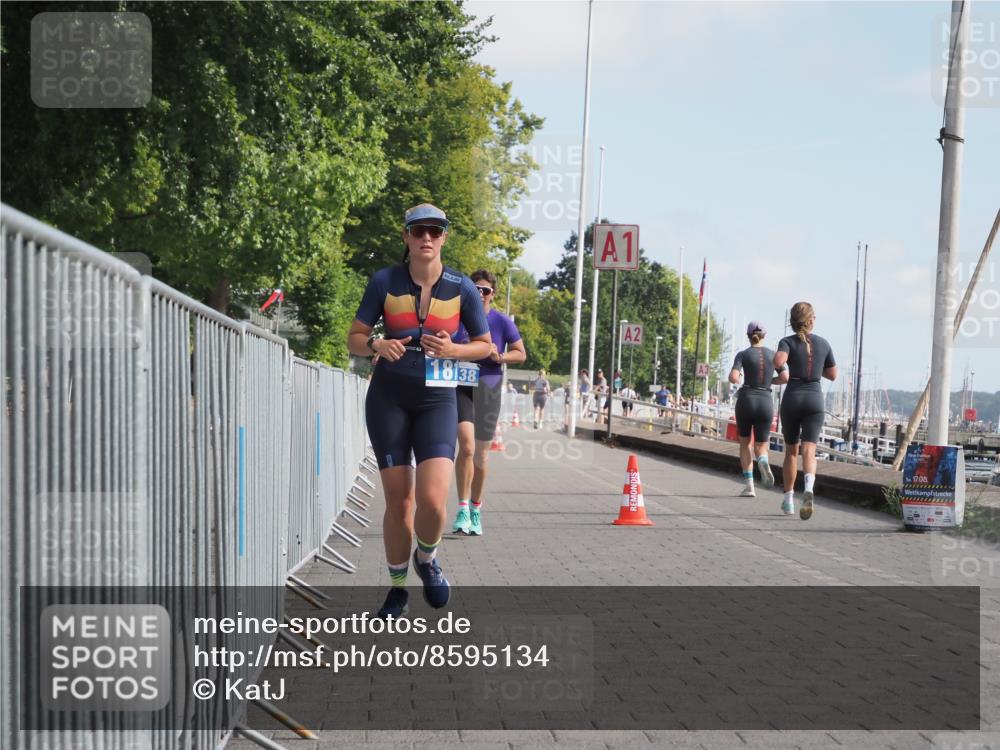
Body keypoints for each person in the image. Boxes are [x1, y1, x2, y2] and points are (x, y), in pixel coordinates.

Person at [347, 203, 491, 618]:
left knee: (432, 501)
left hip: (437, 398)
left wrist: (454, 349)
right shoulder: (384, 281)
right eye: (418, 231)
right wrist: (376, 344)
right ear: (407, 237)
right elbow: (354, 338)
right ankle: (396, 588)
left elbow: (484, 346)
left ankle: (426, 559)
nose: (426, 238)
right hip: (389, 396)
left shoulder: (462, 288)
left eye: (435, 230)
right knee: (399, 501)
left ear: (445, 236)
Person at [452, 270, 526, 537]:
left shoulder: (502, 321)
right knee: (467, 447)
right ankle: (461, 507)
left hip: (489, 387)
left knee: (481, 454)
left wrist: (500, 356)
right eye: (475, 289)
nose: (481, 294)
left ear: (493, 294)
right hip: (462, 385)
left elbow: (521, 354)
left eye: (485, 290)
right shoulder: (457, 320)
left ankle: (475, 508)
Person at [774, 302, 837, 519]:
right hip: (814, 399)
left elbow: (778, 360)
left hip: (793, 397)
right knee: (809, 449)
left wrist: (783, 370)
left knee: (791, 452)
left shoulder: (787, 342)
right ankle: (808, 488)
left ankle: (788, 500)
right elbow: (833, 374)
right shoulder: (823, 343)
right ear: (810, 321)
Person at [729, 321, 785, 498]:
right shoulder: (774, 355)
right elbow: (785, 377)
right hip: (765, 401)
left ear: (748, 336)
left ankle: (749, 486)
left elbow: (733, 377)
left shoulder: (743, 355)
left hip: (746, 400)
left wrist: (740, 379)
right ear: (765, 336)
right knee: (761, 445)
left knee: (746, 443)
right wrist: (770, 381)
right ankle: (762, 459)